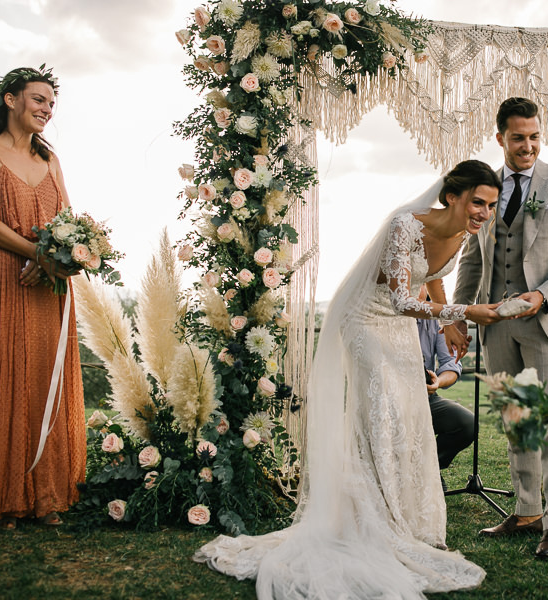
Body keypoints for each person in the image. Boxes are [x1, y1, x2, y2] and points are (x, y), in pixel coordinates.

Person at [195, 160, 508, 599]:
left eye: (491, 205)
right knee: (384, 414)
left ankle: (410, 520)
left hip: (400, 327)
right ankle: (370, 518)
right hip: (366, 319)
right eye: (478, 202)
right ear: (452, 196)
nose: (484, 213)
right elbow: (401, 298)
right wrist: (464, 313)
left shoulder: (463, 234)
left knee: (413, 416)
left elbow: (432, 278)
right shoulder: (405, 225)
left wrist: (446, 325)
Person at [453, 97, 548, 561]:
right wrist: (457, 316)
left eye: (534, 136)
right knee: (517, 424)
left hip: (546, 325)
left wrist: (544, 294)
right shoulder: (487, 187)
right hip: (497, 329)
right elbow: (472, 259)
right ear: (500, 138)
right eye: (518, 138)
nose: (527, 146)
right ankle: (527, 510)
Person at [0, 66, 85, 531]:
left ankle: (44, 496)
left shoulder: (50, 161)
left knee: (41, 379)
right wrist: (37, 252)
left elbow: (68, 219)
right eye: (38, 99)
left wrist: (59, 255)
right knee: (1, 374)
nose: (46, 109)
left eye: (51, 104)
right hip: (1, 276)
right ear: (10, 100)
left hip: (47, 284)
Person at [416, 287, 475, 486]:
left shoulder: (436, 318)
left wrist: (438, 382)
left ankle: (427, 468)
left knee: (467, 423)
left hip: (426, 397)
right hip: (389, 398)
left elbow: (451, 363)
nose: (416, 288)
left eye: (421, 284)